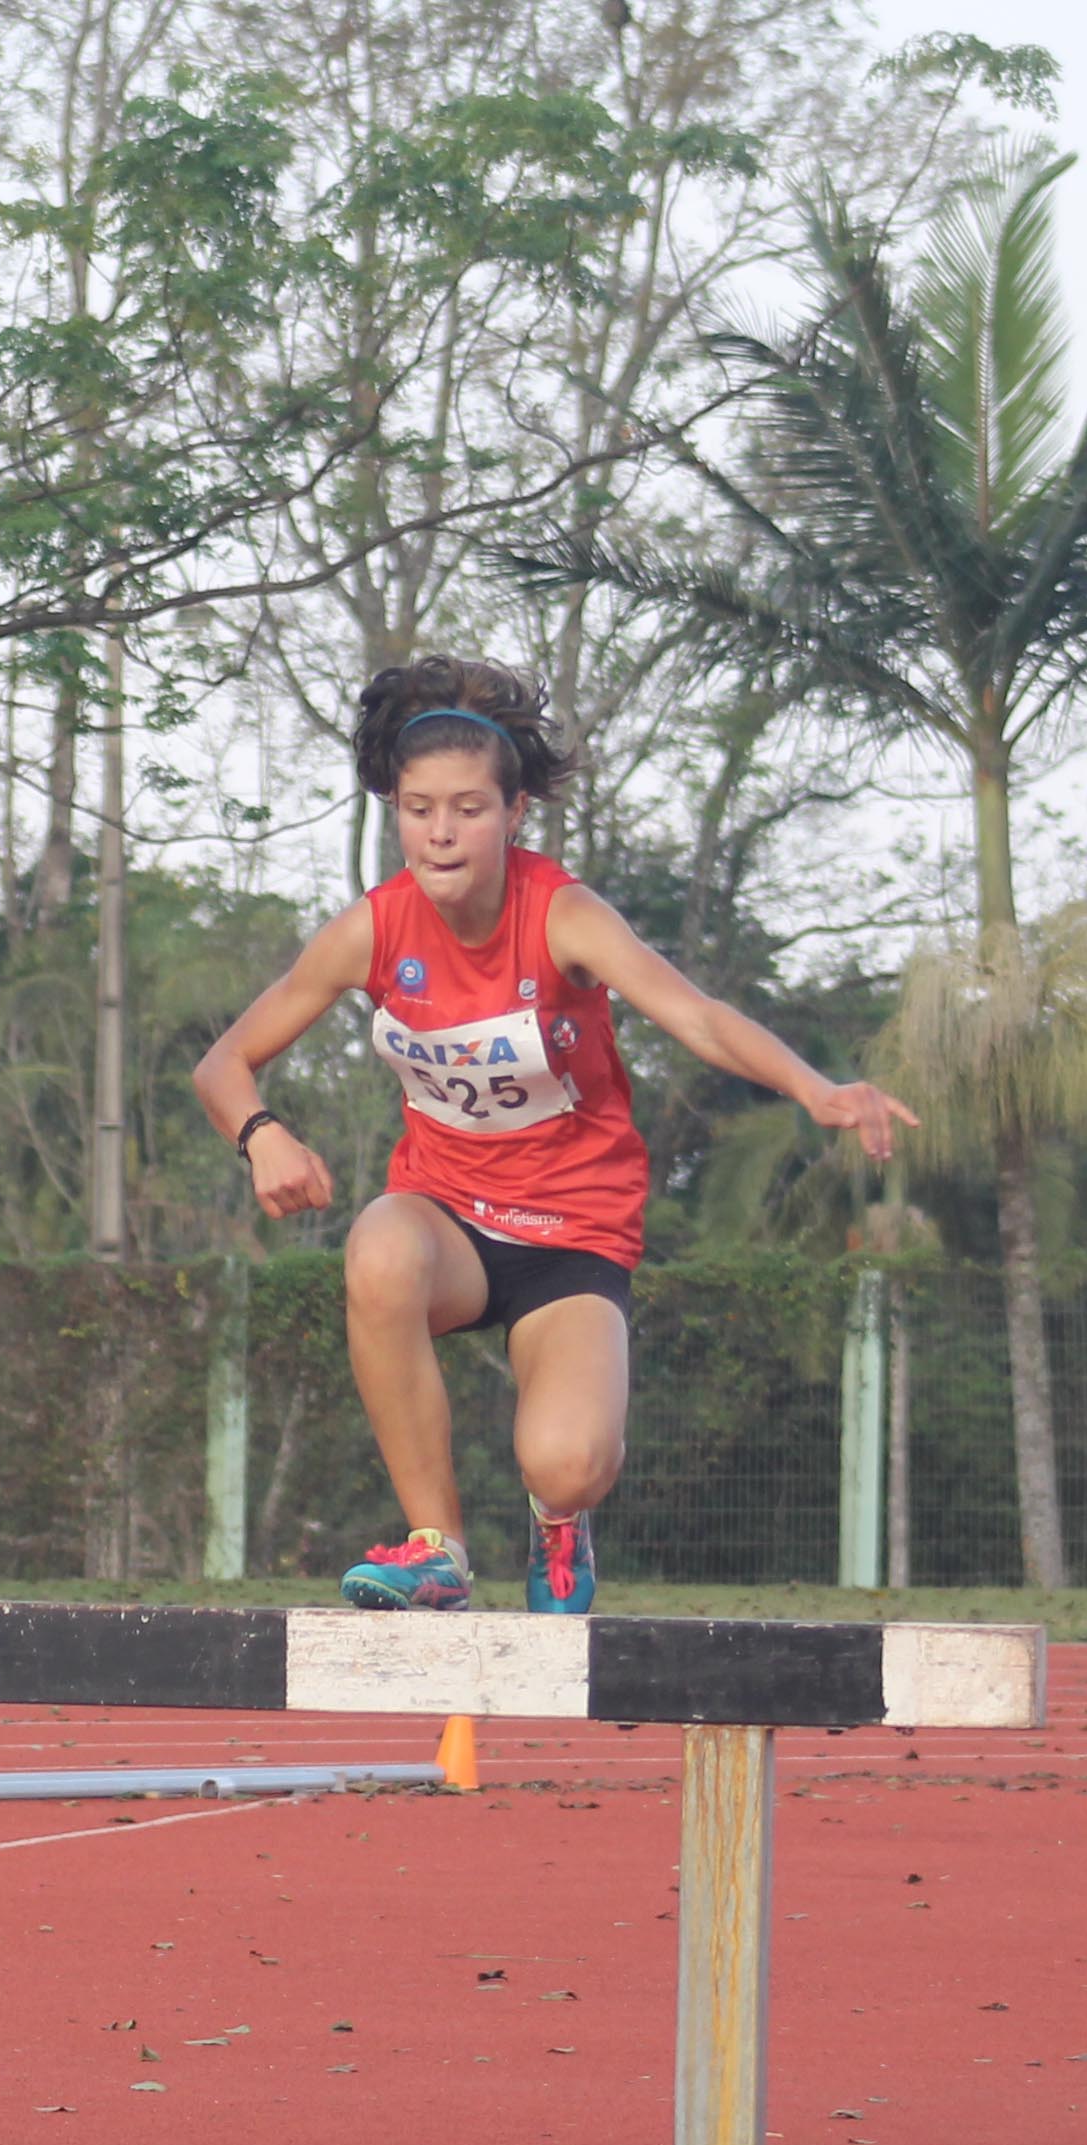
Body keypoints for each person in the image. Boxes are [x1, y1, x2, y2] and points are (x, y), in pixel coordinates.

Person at [190, 657, 916, 1614]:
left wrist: (814, 1087)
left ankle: (561, 1524)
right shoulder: (371, 932)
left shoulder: (563, 914)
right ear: (396, 813)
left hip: (572, 1234)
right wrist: (263, 1135)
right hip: (449, 1222)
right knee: (376, 1249)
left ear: (515, 813)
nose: (440, 833)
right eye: (417, 810)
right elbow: (222, 1064)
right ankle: (436, 1549)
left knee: (568, 1463)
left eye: (467, 809)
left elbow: (693, 1016)